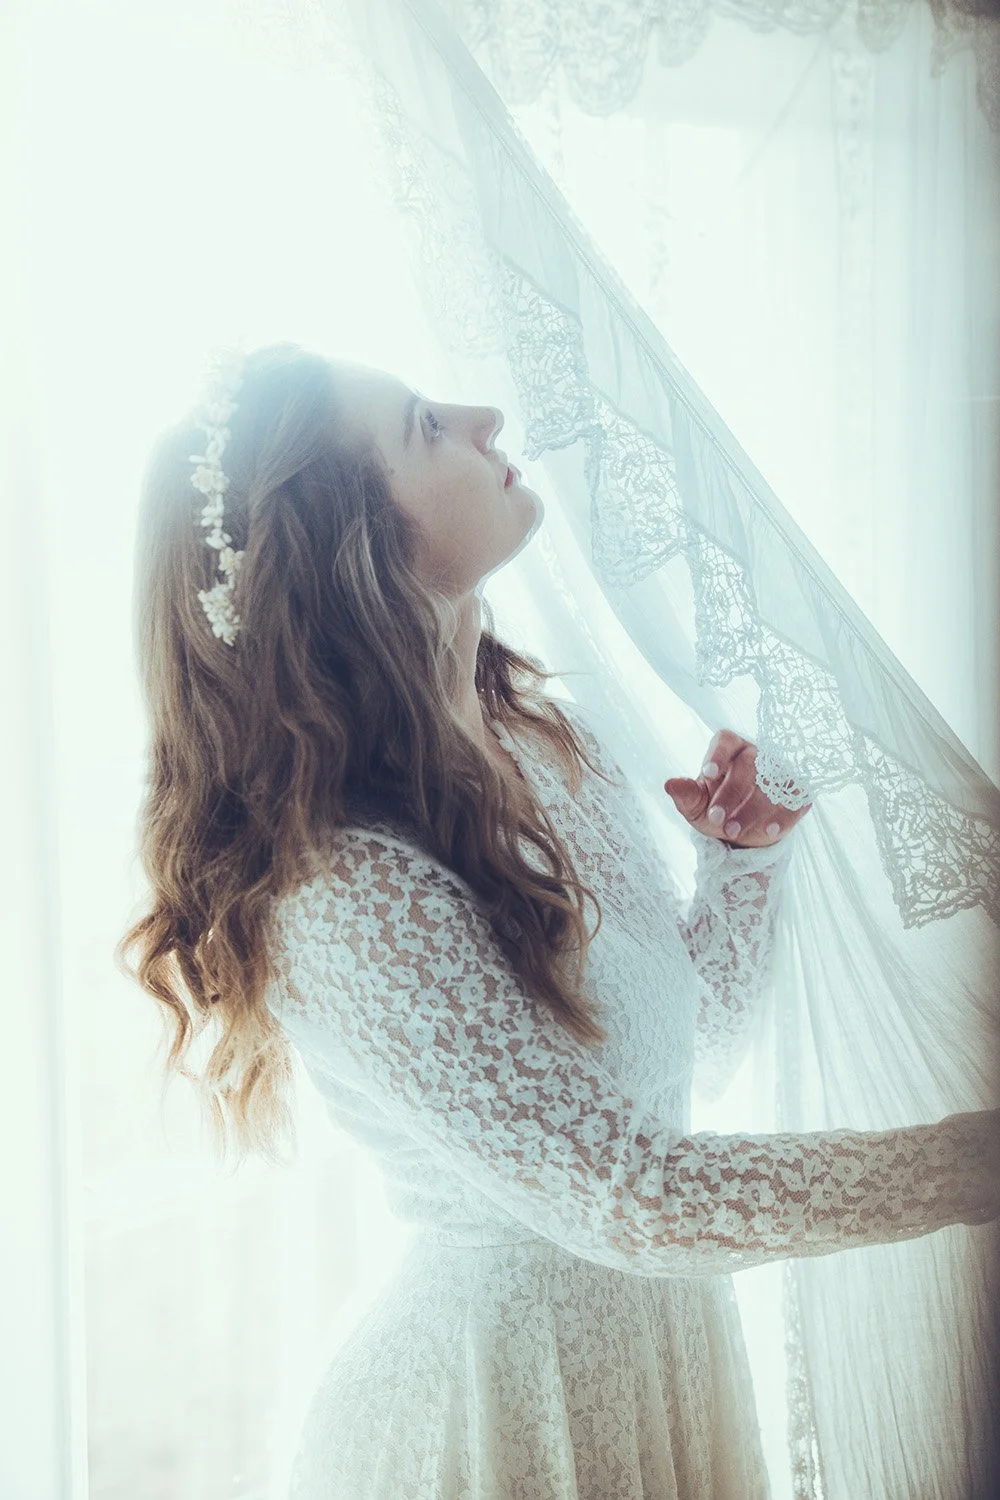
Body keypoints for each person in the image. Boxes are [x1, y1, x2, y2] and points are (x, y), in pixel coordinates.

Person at [118, 342, 1000, 1499]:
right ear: (349, 546)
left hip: (664, 1359)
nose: (486, 417)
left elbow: (671, 1067)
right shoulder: (338, 891)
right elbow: (631, 1197)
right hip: (490, 1416)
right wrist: (967, 1164)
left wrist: (739, 872)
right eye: (425, 428)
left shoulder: (541, 744)